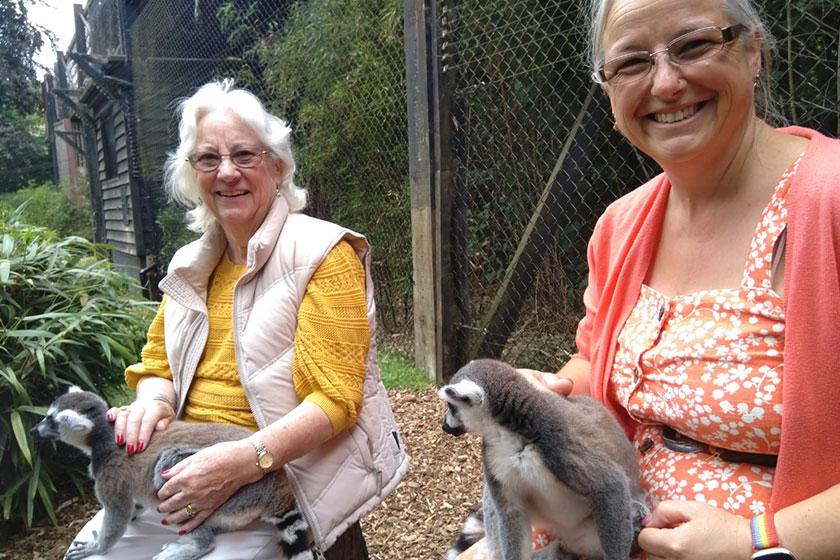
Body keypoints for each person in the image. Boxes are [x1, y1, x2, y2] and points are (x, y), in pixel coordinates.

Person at [457, 0, 840, 558]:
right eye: (632, 63)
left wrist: (754, 540)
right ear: (608, 89)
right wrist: (551, 393)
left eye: (693, 45)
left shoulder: (827, 202)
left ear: (754, 50)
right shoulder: (621, 225)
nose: (665, 83)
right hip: (606, 522)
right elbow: (595, 365)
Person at [68, 79, 409, 559]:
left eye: (244, 155)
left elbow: (334, 401)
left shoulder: (322, 255)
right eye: (209, 159)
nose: (227, 172)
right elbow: (158, 366)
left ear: (276, 165)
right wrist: (152, 402)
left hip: (275, 477)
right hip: (182, 466)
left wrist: (245, 461)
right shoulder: (192, 263)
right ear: (192, 176)